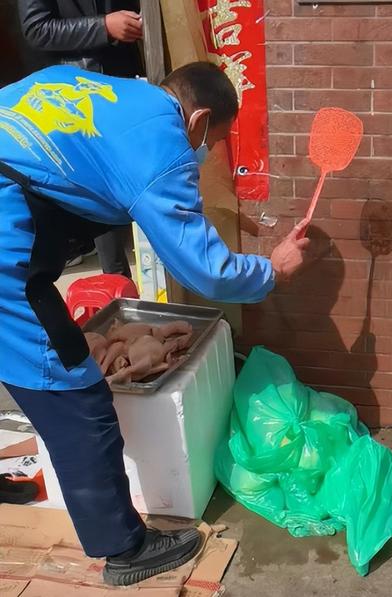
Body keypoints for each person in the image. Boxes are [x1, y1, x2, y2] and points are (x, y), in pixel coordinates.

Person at [0, 61, 310, 586]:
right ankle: (124, 549)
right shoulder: (164, 143)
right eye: (214, 140)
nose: (205, 154)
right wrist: (272, 270)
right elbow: (204, 270)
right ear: (198, 120)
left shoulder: (95, 88)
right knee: (75, 391)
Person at [18, 0, 146, 277]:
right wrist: (104, 26)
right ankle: (116, 281)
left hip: (127, 81)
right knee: (100, 185)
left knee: (140, 175)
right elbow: (37, 29)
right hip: (76, 92)